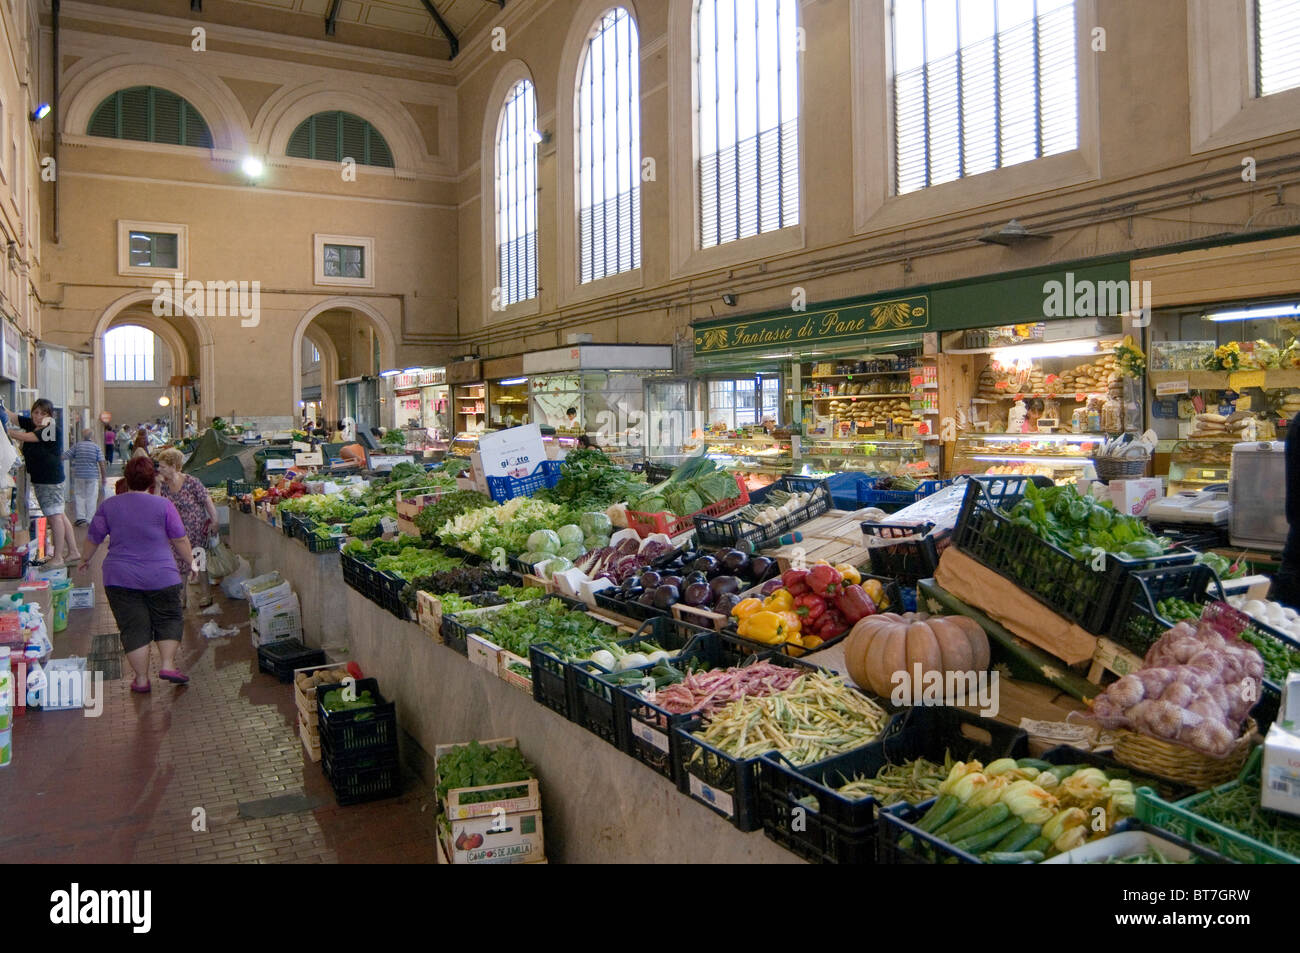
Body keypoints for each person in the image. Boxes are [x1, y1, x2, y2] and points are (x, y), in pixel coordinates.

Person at [78, 456, 196, 692]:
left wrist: (85, 559)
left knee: (133, 627)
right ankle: (167, 664)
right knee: (169, 618)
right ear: (153, 479)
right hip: (162, 575)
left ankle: (141, 680)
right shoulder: (163, 505)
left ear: (126, 478)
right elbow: (180, 539)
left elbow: (94, 538)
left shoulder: (109, 506)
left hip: (120, 578)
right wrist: (191, 562)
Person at [6, 399, 79, 566]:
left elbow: (26, 436)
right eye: (36, 412)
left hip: (49, 480)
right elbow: (15, 418)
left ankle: (58, 557)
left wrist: (6, 431)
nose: (38, 416)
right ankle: (73, 551)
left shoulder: (50, 429)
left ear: (50, 416)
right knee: (59, 514)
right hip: (47, 479)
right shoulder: (34, 424)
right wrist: (3, 408)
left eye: (43, 413)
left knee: (54, 517)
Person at [154, 447, 218, 610]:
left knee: (199, 561)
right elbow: (156, 505)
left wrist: (214, 520)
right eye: (159, 466)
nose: (159, 469)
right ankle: (181, 598)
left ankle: (206, 594)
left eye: (162, 466)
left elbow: (207, 501)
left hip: (195, 528)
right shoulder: (164, 486)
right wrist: (157, 486)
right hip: (174, 532)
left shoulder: (191, 482)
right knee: (179, 564)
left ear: (174, 466)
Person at [65, 427, 106, 526]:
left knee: (79, 496)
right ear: (92, 436)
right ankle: (90, 519)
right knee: (92, 496)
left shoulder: (77, 446)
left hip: (79, 475)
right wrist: (104, 477)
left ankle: (80, 517)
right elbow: (101, 463)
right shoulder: (96, 447)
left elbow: (66, 456)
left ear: (83, 436)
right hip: (92, 476)